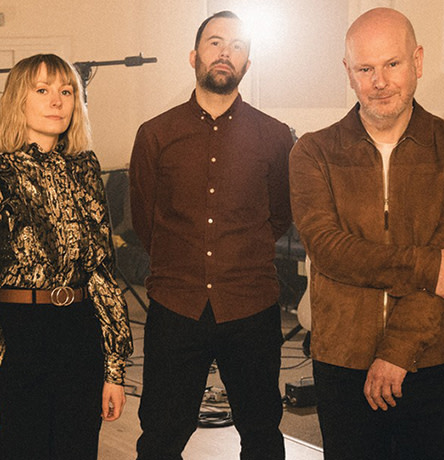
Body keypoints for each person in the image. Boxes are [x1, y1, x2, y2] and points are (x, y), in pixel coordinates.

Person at [289, 7, 444, 459]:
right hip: (342, 362)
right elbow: (329, 251)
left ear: (417, 62)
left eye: (392, 64)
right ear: (348, 74)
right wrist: (425, 264)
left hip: (432, 357)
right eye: (365, 68)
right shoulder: (312, 151)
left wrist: (396, 353)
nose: (379, 81)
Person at [0, 53, 133, 460]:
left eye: (67, 91)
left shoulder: (84, 172)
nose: (57, 101)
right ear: (19, 100)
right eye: (43, 90)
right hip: (17, 340)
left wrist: (113, 370)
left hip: (79, 337)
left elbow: (102, 273)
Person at [130, 10, 293, 460]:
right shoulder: (155, 135)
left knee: (262, 432)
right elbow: (145, 220)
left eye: (237, 46)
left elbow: (279, 216)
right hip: (176, 305)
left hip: (251, 305)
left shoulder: (277, 137)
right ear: (194, 56)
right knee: (161, 435)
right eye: (215, 43)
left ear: (247, 64)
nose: (226, 53)